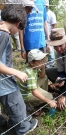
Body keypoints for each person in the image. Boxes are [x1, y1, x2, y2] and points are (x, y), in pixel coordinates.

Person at [0, 5, 38, 135]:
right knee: (17, 106)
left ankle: (9, 126)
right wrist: (17, 72)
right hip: (4, 83)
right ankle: (22, 128)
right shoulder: (4, 35)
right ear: (19, 24)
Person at [45, 0, 57, 68]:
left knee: (51, 53)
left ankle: (50, 66)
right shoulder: (40, 13)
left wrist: (51, 37)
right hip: (41, 36)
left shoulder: (51, 14)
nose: (46, 7)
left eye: (46, 6)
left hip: (49, 36)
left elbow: (54, 26)